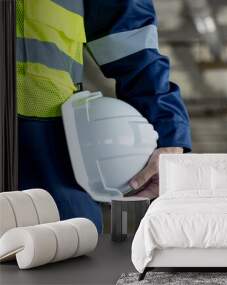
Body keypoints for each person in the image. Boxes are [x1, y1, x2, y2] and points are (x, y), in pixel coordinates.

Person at [17, 0, 192, 233]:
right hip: (49, 149)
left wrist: (167, 134)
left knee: (68, 251)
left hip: (50, 147)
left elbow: (130, 38)